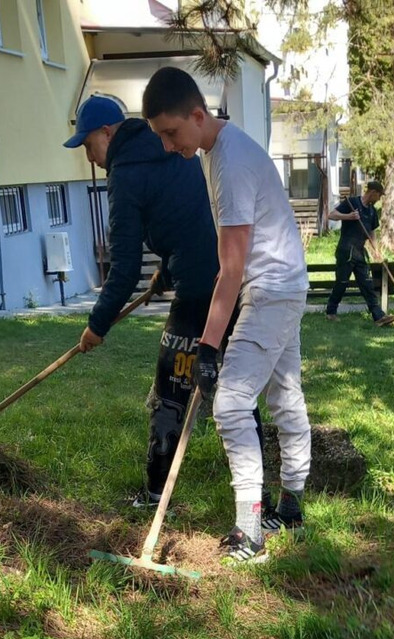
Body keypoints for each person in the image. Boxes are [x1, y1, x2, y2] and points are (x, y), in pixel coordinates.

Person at [142, 66, 312, 564]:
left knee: (232, 404)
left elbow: (232, 268)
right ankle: (292, 508)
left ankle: (249, 531)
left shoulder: (231, 161)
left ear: (198, 114)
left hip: (271, 288)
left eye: (171, 133)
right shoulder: (215, 152)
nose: (169, 146)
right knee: (284, 394)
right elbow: (222, 247)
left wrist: (208, 348)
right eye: (161, 137)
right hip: (283, 281)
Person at [64, 95, 265, 511]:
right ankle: (258, 495)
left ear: (107, 133)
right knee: (238, 390)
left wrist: (97, 326)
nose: (91, 157)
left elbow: (122, 268)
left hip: (198, 291)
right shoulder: (167, 144)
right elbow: (187, 216)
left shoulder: (125, 173)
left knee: (170, 395)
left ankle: (157, 494)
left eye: (88, 146)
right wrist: (168, 271)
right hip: (228, 280)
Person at [323, 182, 394, 326]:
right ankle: (331, 312)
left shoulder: (371, 211)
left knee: (367, 284)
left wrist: (375, 249)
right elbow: (331, 215)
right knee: (342, 283)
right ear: (372, 192)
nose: (379, 199)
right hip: (346, 250)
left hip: (359, 251)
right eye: (379, 195)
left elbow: (371, 232)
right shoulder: (352, 203)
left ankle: (378, 316)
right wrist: (349, 216)